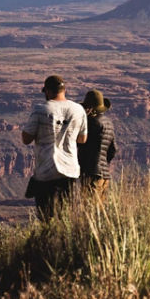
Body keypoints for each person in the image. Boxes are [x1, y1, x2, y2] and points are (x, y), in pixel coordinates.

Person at [20, 74, 88, 221]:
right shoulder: (78, 109)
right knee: (65, 217)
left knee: (46, 218)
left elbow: (26, 139)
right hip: (70, 170)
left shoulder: (40, 110)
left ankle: (48, 242)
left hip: (46, 171)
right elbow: (82, 139)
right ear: (64, 90)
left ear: (48, 91)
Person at [78, 89, 117, 193]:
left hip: (91, 173)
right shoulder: (109, 123)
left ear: (90, 108)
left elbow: (80, 143)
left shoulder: (90, 123)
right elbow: (113, 150)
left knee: (89, 206)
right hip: (105, 175)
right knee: (99, 207)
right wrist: (103, 163)